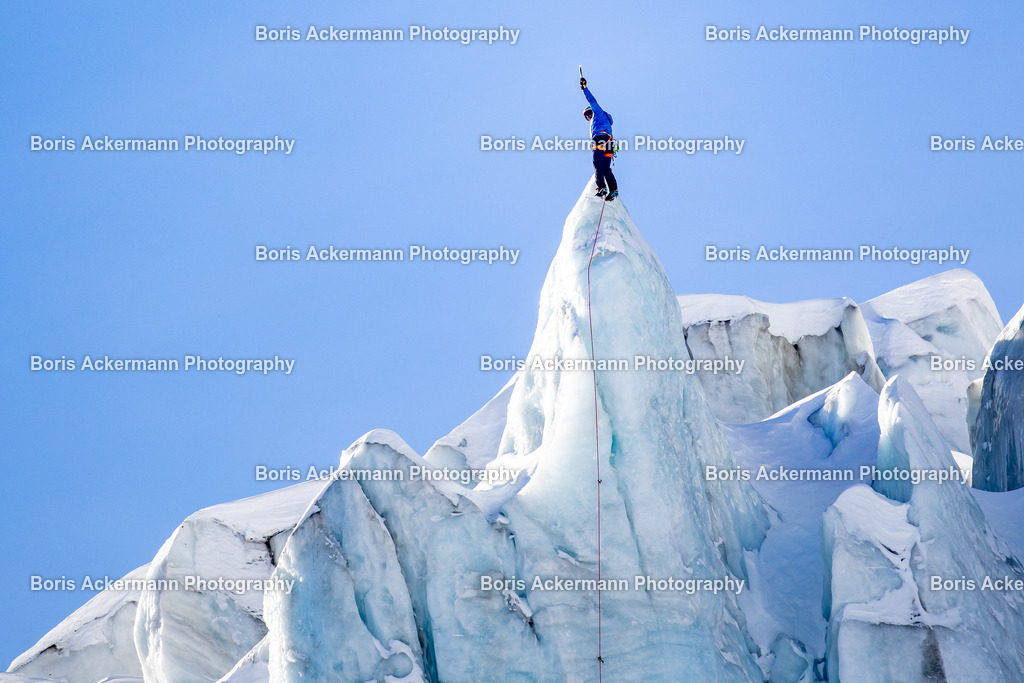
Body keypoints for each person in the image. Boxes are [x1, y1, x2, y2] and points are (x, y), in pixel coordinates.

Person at [580, 77, 618, 201]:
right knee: (605, 168)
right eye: (587, 117)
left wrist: (584, 88)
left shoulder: (598, 113)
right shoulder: (605, 120)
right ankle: (613, 190)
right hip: (610, 142)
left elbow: (592, 100)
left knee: (597, 164)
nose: (588, 117)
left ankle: (602, 188)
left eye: (588, 114)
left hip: (600, 139)